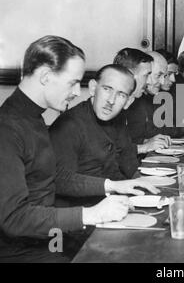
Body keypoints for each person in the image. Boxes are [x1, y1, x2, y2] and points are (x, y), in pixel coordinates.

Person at [0, 36, 147, 262]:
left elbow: (55, 177)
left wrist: (112, 186)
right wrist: (90, 215)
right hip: (25, 251)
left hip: (48, 241)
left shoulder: (32, 118)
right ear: (46, 76)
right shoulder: (8, 128)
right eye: (73, 82)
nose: (78, 92)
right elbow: (13, 218)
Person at [49, 64, 159, 206]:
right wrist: (113, 186)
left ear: (128, 102)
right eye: (107, 89)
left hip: (111, 203)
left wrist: (140, 185)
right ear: (93, 88)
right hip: (80, 215)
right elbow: (59, 181)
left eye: (121, 95)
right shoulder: (69, 125)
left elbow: (124, 163)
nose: (111, 101)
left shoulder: (118, 119)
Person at [124, 51, 184, 147]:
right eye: (159, 75)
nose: (162, 81)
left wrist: (145, 143)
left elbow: (137, 137)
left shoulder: (142, 97)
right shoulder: (131, 99)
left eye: (164, 76)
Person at [114, 49, 171, 153]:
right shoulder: (113, 103)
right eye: (146, 75)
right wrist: (143, 147)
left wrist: (146, 142)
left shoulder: (133, 100)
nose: (148, 81)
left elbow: (127, 140)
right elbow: (105, 152)